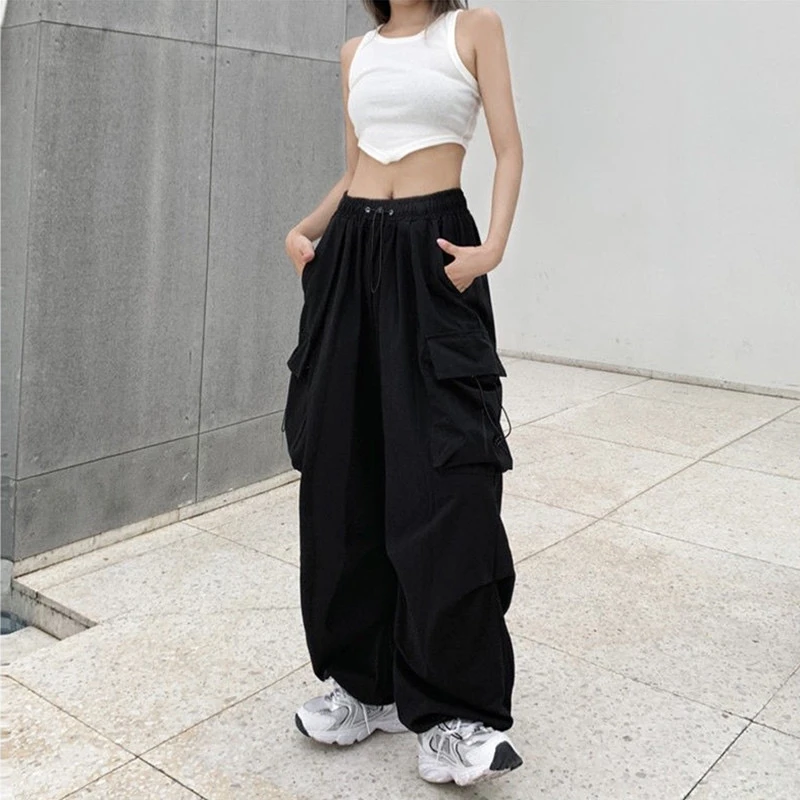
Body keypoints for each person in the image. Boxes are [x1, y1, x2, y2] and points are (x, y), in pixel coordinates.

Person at [281, 0, 524, 787]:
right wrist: (307, 229)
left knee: (447, 481)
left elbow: (510, 149)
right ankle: (365, 686)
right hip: (350, 254)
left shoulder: (473, 30)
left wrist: (491, 248)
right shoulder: (355, 52)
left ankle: (455, 713)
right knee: (342, 476)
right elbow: (357, 167)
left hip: (435, 253)